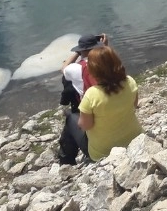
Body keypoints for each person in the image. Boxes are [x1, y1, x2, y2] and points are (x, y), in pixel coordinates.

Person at [77, 45, 143, 160]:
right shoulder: (130, 81)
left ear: (93, 70)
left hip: (104, 153)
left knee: (71, 120)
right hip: (136, 140)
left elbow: (85, 125)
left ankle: (66, 161)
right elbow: (134, 105)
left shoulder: (91, 95)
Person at [56, 33, 106, 165]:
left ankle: (66, 161)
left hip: (99, 148)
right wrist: (104, 47)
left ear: (82, 50)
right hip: (126, 137)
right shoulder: (110, 66)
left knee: (71, 118)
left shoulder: (77, 69)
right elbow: (108, 56)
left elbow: (63, 68)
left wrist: (78, 53)